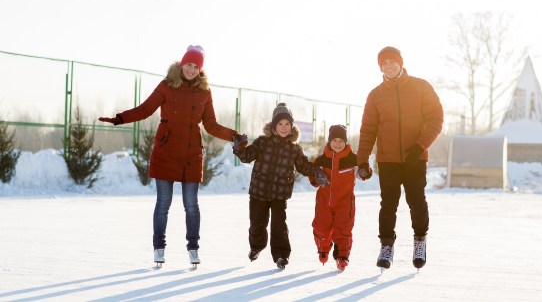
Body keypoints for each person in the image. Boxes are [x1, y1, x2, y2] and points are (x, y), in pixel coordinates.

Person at [99, 45, 246, 267]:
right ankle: (159, 247)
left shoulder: (205, 92)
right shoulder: (167, 85)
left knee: (191, 204)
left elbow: (211, 124)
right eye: (189, 64)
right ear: (182, 63)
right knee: (163, 202)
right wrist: (120, 118)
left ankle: (193, 248)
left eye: (196, 66)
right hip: (166, 151)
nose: (192, 69)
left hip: (191, 154)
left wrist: (233, 135)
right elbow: (145, 109)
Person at [356, 46, 443, 270]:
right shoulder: (375, 95)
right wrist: (363, 160)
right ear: (380, 68)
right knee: (388, 204)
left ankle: (420, 241)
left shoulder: (421, 87)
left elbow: (436, 118)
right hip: (388, 159)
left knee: (416, 201)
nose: (388, 66)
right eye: (384, 63)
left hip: (415, 157)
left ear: (401, 63)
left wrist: (420, 146)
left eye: (392, 62)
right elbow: (368, 129)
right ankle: (386, 247)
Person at [232, 102, 329, 269]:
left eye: (287, 124)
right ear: (273, 126)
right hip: (259, 192)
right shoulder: (262, 142)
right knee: (257, 224)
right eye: (280, 124)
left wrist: (316, 172)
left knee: (279, 226)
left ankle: (281, 255)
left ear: (292, 127)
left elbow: (303, 166)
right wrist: (239, 147)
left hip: (280, 194)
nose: (283, 127)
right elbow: (247, 156)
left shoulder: (294, 149)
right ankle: (256, 247)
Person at [309, 124, 357, 271]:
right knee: (321, 227)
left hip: (345, 201)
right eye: (334, 140)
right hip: (324, 201)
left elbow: (363, 171)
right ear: (329, 142)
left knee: (343, 229)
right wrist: (316, 178)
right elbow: (313, 178)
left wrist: (365, 171)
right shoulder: (321, 160)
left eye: (341, 141)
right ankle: (323, 248)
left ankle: (342, 256)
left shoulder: (353, 159)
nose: (337, 144)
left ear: (346, 142)